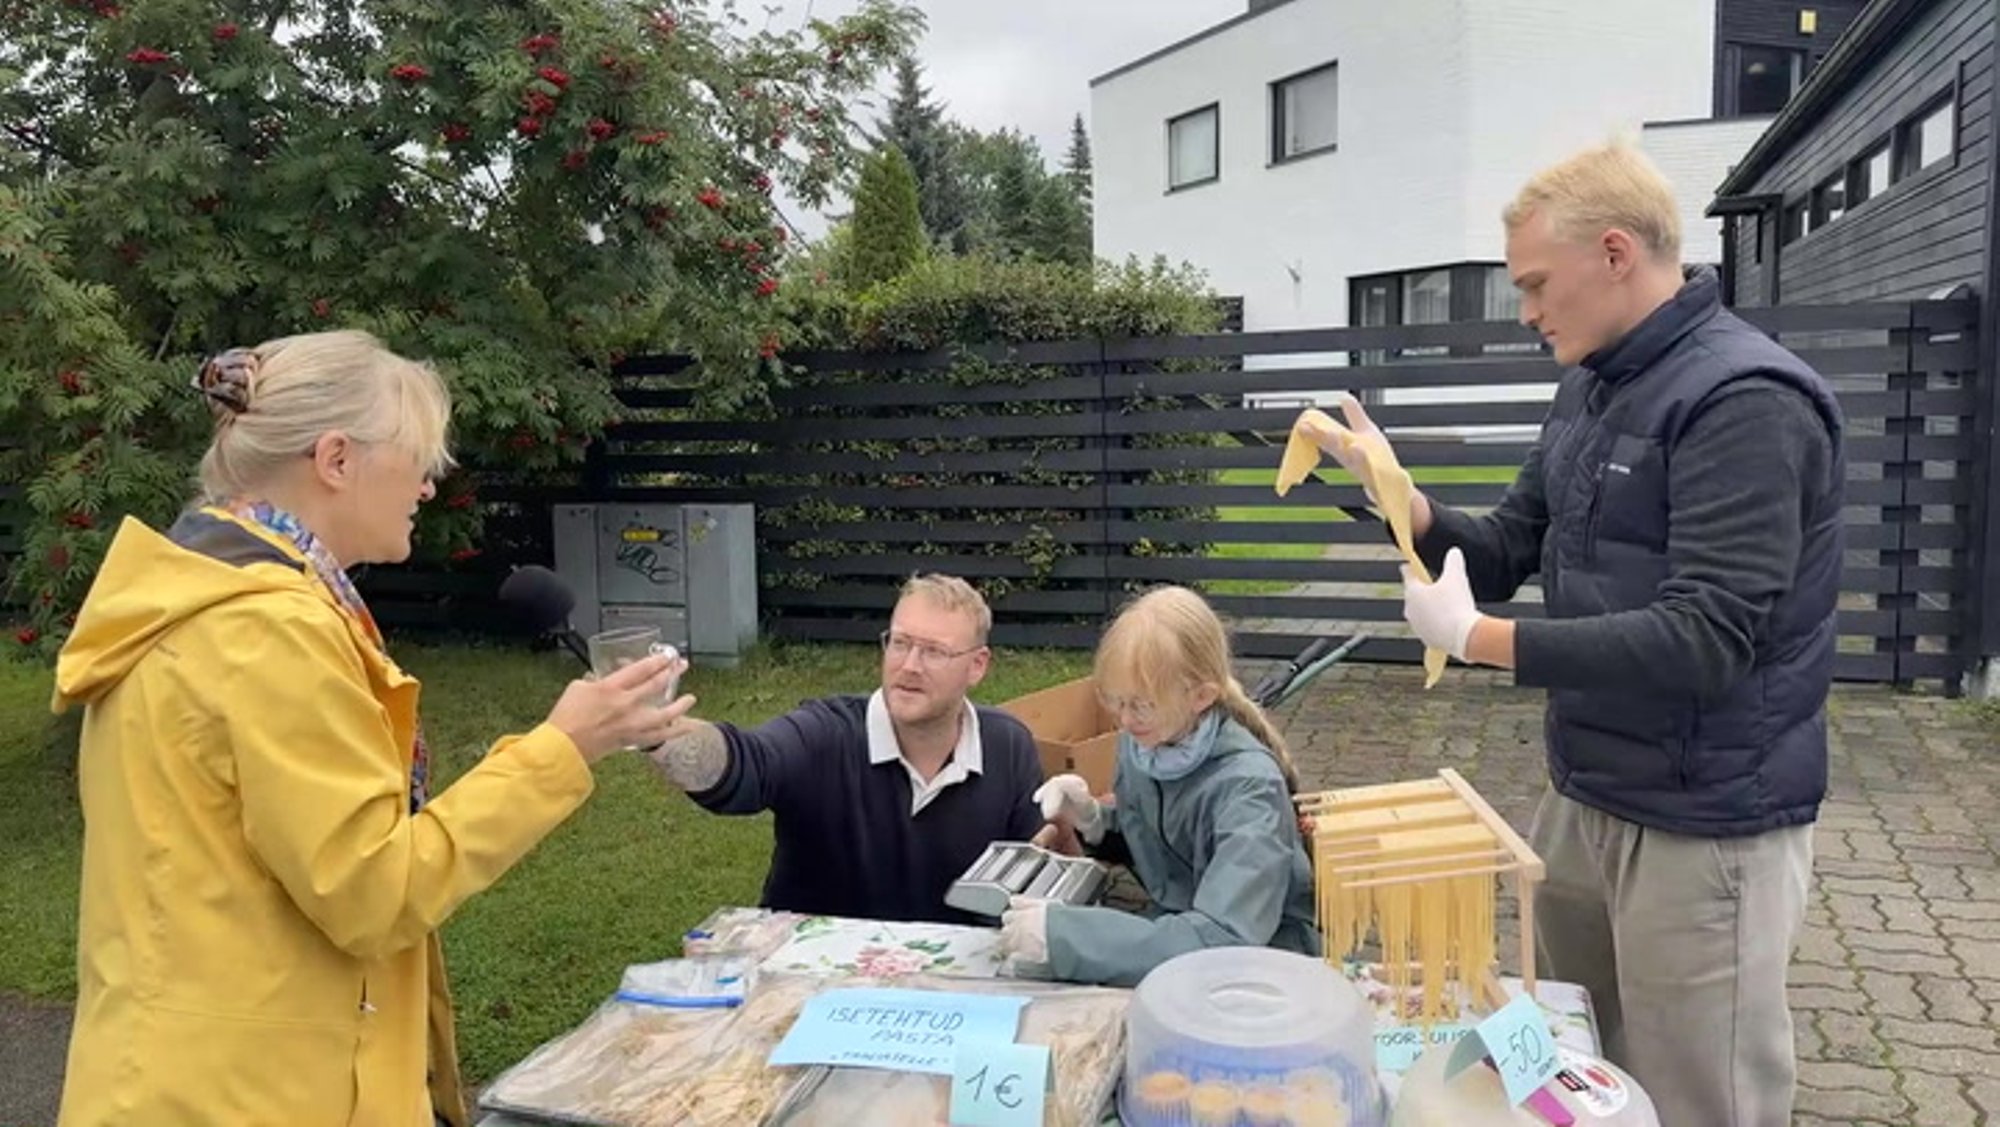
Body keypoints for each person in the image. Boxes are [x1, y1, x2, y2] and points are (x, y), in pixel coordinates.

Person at [1311, 141, 1843, 1127]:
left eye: (1532, 283)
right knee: (1575, 1069)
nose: (1523, 308)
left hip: (1704, 816)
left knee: (1697, 1093)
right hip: (1585, 789)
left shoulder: (1744, 402)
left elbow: (1704, 637)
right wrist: (1398, 499)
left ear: (1612, 253)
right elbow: (1510, 543)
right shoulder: (1591, 389)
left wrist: (1479, 639)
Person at [52, 331, 693, 1127]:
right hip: (246, 1099)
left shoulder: (212, 594)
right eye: (417, 458)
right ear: (336, 459)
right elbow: (372, 893)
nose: (428, 486)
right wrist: (562, 747)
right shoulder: (265, 631)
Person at [646, 573, 1044, 924]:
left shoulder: (1008, 745)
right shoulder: (824, 733)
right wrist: (657, 732)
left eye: (934, 651)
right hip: (814, 983)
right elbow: (748, 765)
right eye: (900, 643)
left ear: (977, 665)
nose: (909, 666)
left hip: (956, 988)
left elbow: (1030, 881)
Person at [1002, 585, 1320, 988]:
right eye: (1116, 701)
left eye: (1141, 704)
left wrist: (1065, 936)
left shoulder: (1250, 789)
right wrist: (1094, 820)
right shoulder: (1147, 742)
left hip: (1264, 966)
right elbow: (1160, 843)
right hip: (1175, 944)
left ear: (1201, 696)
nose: (1124, 719)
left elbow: (1225, 937)